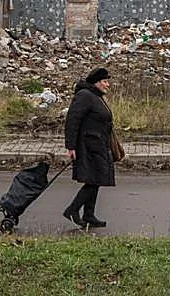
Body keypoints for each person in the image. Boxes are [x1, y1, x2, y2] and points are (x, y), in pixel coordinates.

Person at [63, 66, 115, 228]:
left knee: (96, 179)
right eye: (105, 81)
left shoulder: (95, 96)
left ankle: (89, 214)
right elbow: (72, 121)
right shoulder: (85, 96)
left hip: (98, 144)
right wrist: (71, 147)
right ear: (96, 82)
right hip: (88, 145)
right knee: (96, 179)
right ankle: (72, 209)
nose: (108, 85)